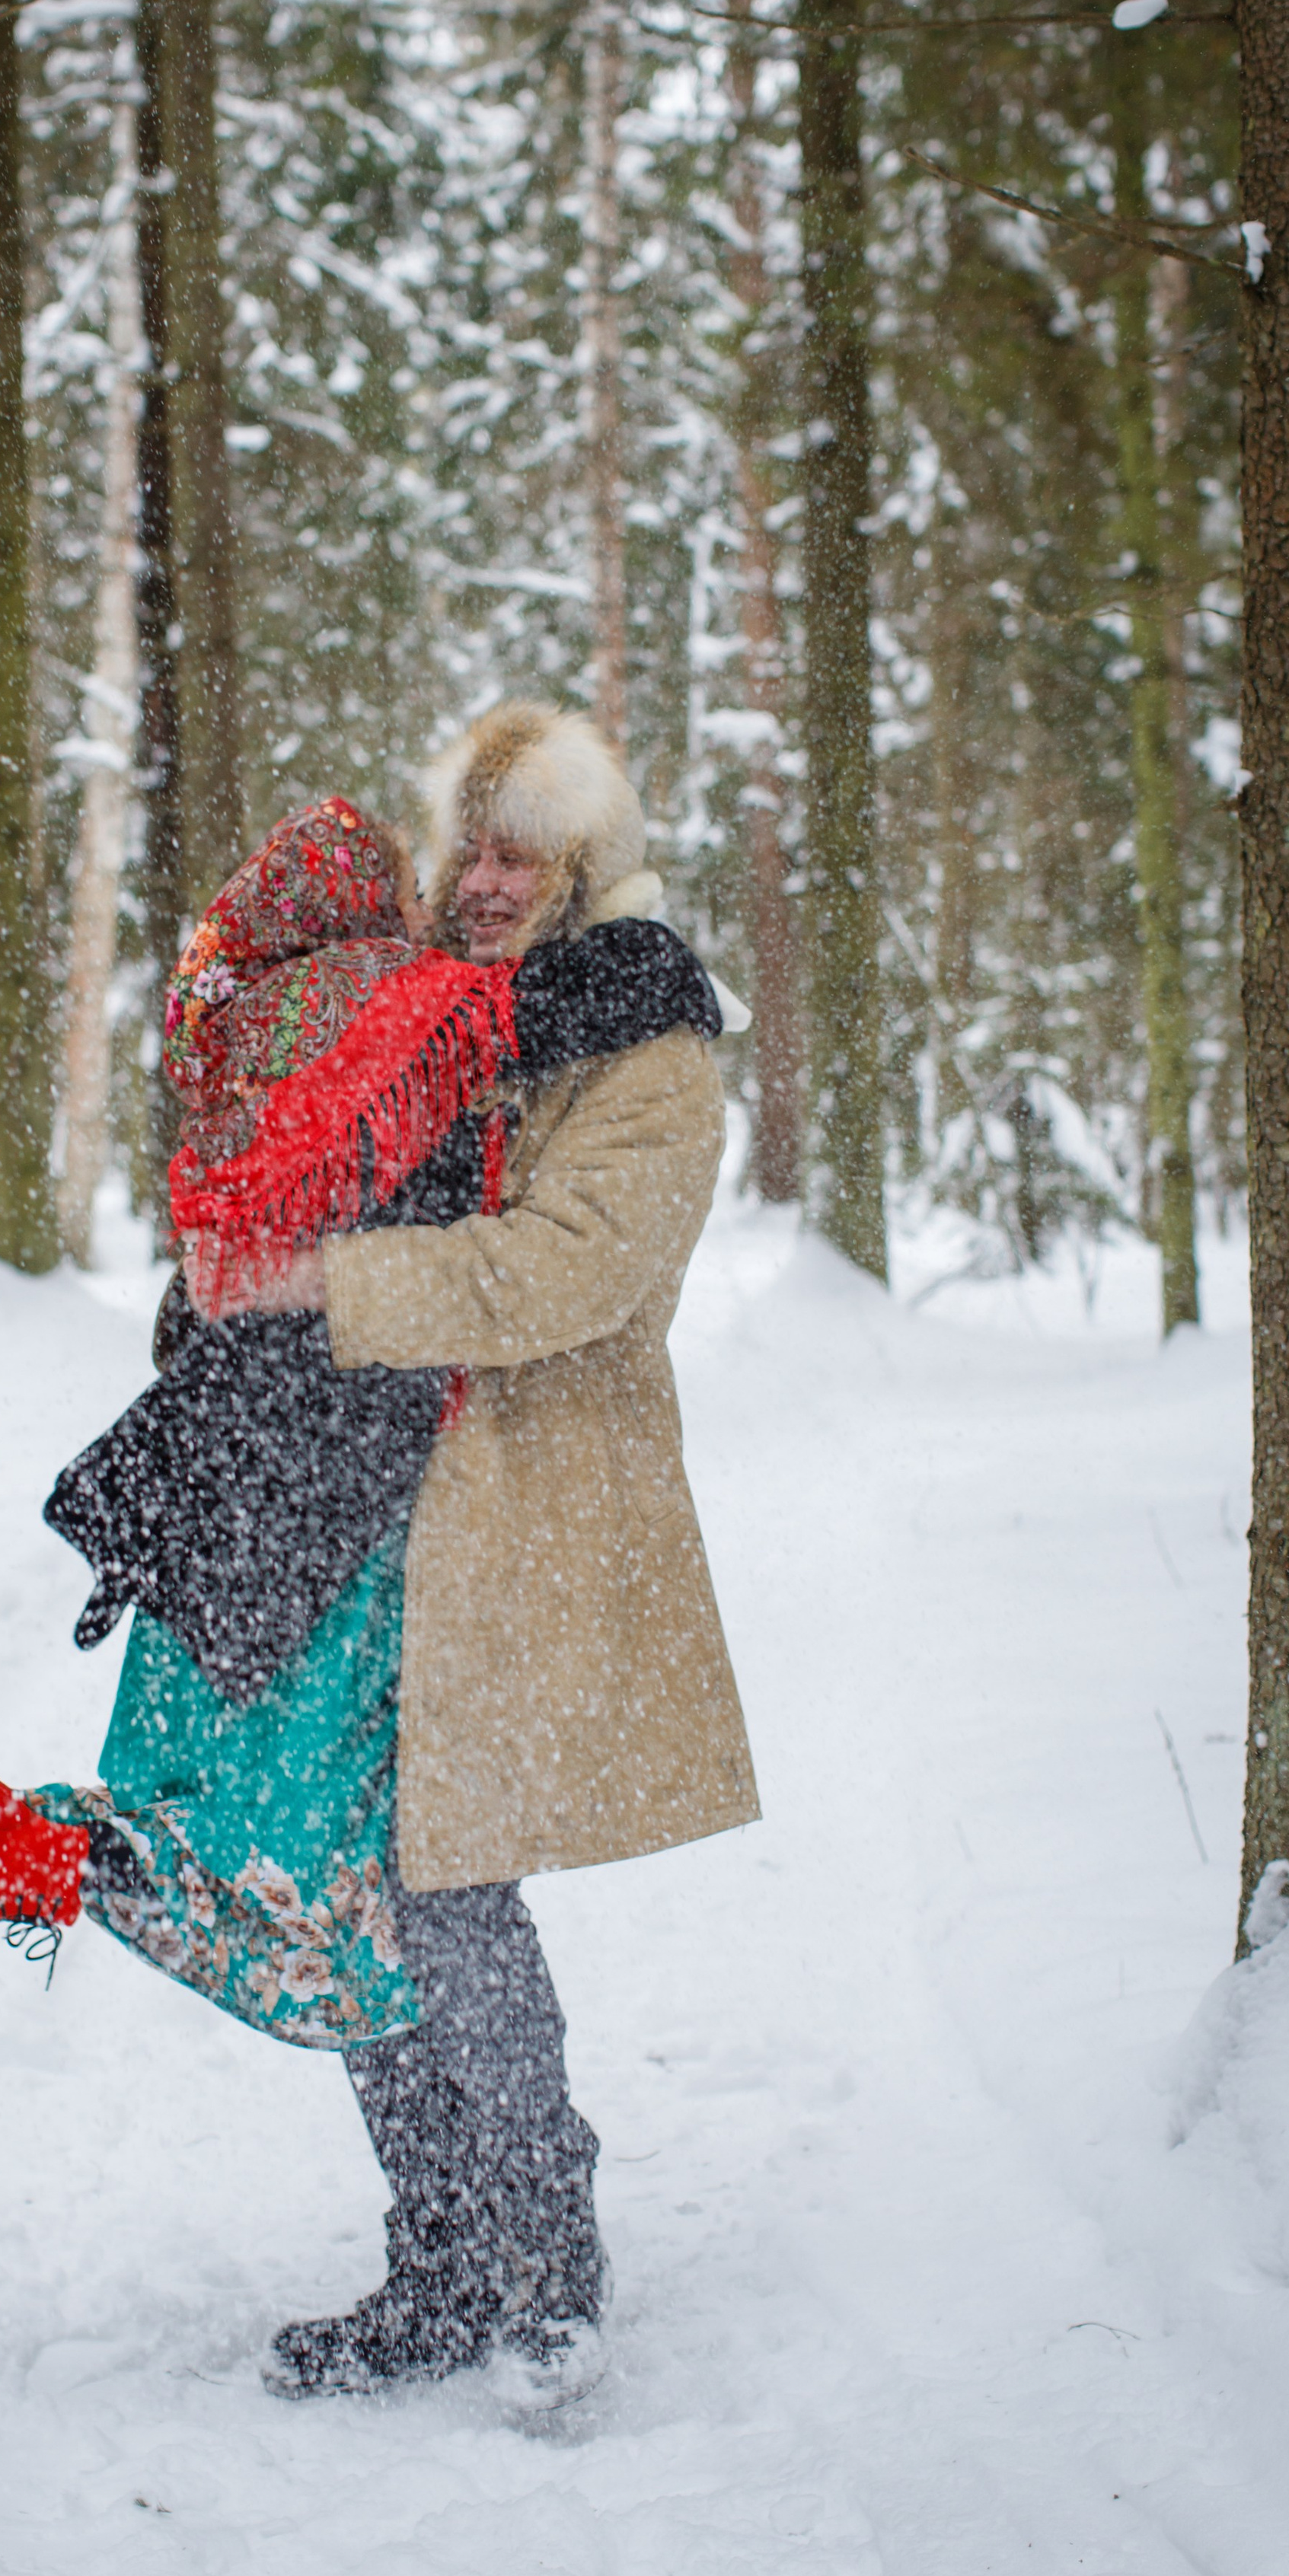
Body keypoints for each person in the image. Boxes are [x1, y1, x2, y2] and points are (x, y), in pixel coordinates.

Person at [215, 705, 761, 2400]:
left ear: (585, 868)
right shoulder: (426, 1023)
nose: (483, 878)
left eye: (519, 851)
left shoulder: (645, 1049)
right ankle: (439, 2255)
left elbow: (565, 1270)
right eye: (468, 844)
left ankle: (539, 2257)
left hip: (525, 1513)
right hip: (376, 1506)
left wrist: (328, 1285)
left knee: (451, 1892)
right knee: (356, 1885)